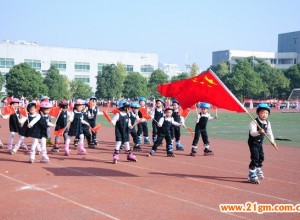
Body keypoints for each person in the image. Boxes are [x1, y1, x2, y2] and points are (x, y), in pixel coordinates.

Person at [248, 103, 276, 184]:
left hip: (260, 143)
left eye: (266, 113)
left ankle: (258, 169)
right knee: (255, 157)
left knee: (261, 157)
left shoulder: (267, 123)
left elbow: (269, 132)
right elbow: (252, 133)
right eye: (262, 112)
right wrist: (258, 132)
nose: (264, 115)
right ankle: (251, 173)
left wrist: (272, 141)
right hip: (253, 142)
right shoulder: (254, 122)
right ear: (258, 113)